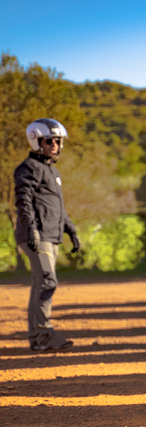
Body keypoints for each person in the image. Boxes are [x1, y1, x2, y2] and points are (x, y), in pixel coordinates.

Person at [14, 118, 80, 352]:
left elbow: (58, 206)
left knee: (40, 283)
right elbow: (24, 201)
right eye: (49, 141)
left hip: (51, 235)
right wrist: (30, 228)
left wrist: (70, 229)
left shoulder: (51, 170)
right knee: (47, 281)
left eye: (57, 141)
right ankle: (43, 335)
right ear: (36, 141)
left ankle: (38, 337)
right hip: (36, 235)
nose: (54, 145)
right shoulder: (28, 169)